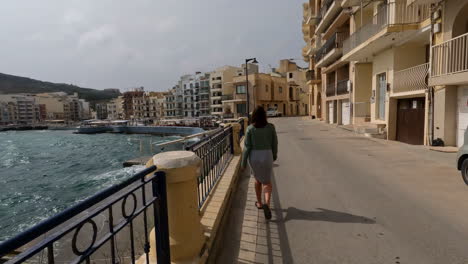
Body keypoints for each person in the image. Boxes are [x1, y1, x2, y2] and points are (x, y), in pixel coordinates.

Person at [241, 106, 278, 220]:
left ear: (254, 116)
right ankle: (267, 202)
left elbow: (247, 147)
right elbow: (274, 143)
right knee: (267, 182)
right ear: (264, 116)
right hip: (267, 155)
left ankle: (259, 203)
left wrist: (243, 163)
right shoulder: (271, 127)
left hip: (254, 156)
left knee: (257, 180)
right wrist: (274, 155)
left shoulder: (250, 129)